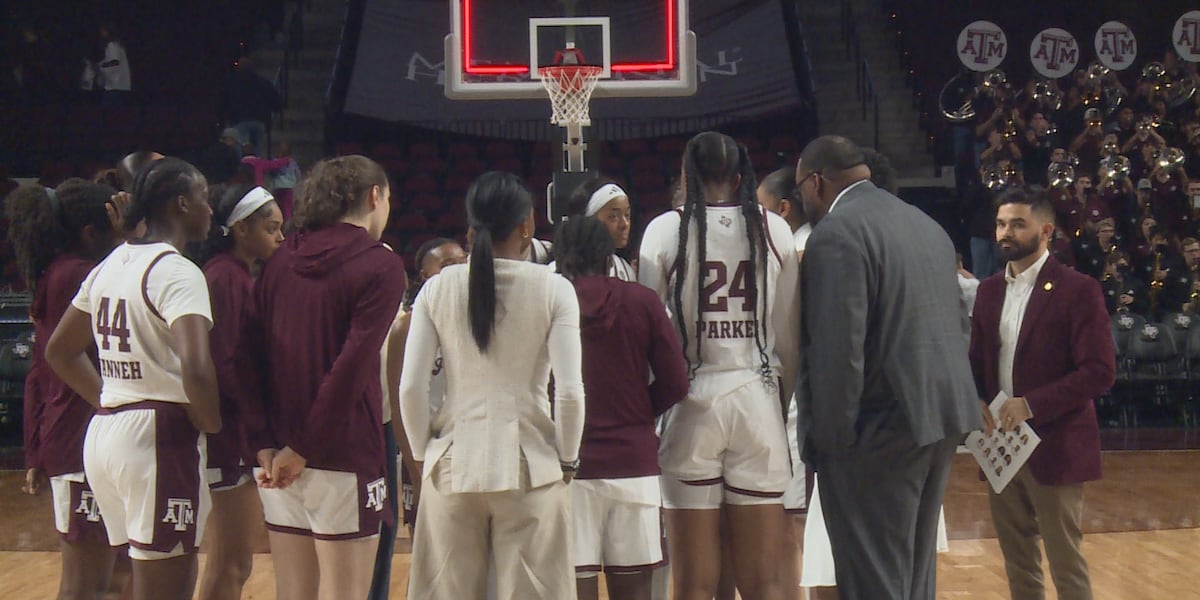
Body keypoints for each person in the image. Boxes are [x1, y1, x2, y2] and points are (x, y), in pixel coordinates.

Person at [795, 135, 979, 599]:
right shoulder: (926, 225)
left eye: (800, 189)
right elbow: (959, 326)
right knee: (913, 579)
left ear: (816, 182)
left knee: (873, 581)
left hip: (876, 429)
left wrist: (831, 441)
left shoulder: (836, 233)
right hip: (938, 419)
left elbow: (839, 350)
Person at [399, 171, 584, 599]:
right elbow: (571, 392)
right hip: (531, 465)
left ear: (470, 228)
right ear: (527, 225)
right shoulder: (555, 289)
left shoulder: (436, 289)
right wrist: (568, 460)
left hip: (453, 462)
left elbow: (411, 388)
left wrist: (425, 455)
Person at [45, 158, 221, 600]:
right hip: (157, 436)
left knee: (128, 581)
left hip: (106, 431)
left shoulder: (110, 263)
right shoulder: (178, 271)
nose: (210, 208)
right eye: (203, 196)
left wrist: (110, 396)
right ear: (181, 204)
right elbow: (196, 365)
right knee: (168, 584)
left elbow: (60, 351)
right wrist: (211, 422)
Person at [638, 131, 800, 600]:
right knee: (765, 583)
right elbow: (788, 336)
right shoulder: (774, 228)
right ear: (740, 175)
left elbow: (650, 332)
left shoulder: (664, 230)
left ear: (686, 175)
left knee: (693, 585)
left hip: (691, 400)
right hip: (756, 396)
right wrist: (778, 402)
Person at [237, 155, 405, 600]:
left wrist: (264, 444)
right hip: (342, 452)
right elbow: (351, 369)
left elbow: (245, 358)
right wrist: (304, 447)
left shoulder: (279, 260)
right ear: (375, 197)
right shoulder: (381, 265)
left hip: (277, 460)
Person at [969, 185, 1116, 600]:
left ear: (1046, 230)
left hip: (1056, 444)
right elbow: (975, 361)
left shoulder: (1078, 289)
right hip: (1000, 446)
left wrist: (1032, 405)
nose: (1005, 232)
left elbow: (1100, 371)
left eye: (1018, 224)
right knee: (1018, 564)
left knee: (1065, 562)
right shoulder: (988, 290)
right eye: (1001, 224)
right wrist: (973, 398)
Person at [556, 216, 689, 600]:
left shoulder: (552, 302)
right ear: (607, 255)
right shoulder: (643, 300)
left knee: (572, 589)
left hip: (568, 467)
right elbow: (677, 381)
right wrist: (639, 413)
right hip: (634, 464)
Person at [9, 180, 128, 600]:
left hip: (81, 438)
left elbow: (37, 373)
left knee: (116, 578)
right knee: (84, 585)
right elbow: (47, 366)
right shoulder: (78, 274)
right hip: (79, 439)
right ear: (91, 233)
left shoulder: (61, 272)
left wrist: (34, 449)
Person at [194, 184, 284, 600]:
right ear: (241, 229)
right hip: (228, 432)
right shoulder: (226, 277)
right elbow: (227, 362)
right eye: (271, 228)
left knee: (232, 561)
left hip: (233, 428)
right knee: (231, 562)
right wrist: (256, 425)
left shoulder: (234, 273)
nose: (280, 237)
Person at [369, 237, 467, 600]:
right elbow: (400, 404)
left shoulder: (477, 319)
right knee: (430, 558)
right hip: (425, 453)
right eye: (446, 265)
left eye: (462, 262)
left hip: (468, 449)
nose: (458, 271)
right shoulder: (407, 326)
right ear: (423, 275)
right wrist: (416, 468)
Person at [562, 176, 636, 280]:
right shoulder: (557, 273)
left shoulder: (626, 271)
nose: (625, 224)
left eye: (627, 215)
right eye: (614, 216)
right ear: (588, 221)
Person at [219, 57, 281, 157]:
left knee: (241, 150)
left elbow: (223, 102)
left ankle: (243, 166)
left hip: (240, 120)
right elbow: (276, 101)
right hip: (259, 121)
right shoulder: (263, 82)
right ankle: (257, 166)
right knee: (258, 150)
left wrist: (226, 117)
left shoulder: (232, 83)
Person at [97, 24, 132, 107]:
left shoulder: (112, 45)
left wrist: (101, 65)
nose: (101, 33)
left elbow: (115, 62)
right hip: (119, 85)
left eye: (103, 31)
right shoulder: (117, 45)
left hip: (115, 85)